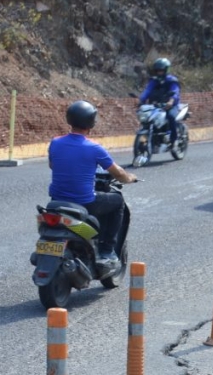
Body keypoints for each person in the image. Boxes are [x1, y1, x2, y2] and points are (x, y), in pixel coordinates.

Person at [48, 100, 138, 268]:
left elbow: (53, 165)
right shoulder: (94, 148)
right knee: (117, 201)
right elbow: (118, 173)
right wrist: (129, 178)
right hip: (84, 203)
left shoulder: (55, 142)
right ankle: (107, 250)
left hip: (55, 201)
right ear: (91, 122)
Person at [138, 57, 181, 148]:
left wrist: (171, 101)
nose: (159, 72)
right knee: (147, 118)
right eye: (157, 70)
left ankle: (174, 139)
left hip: (171, 105)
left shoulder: (172, 80)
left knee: (171, 116)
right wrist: (141, 100)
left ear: (166, 70)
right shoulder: (154, 81)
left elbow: (175, 92)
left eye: (161, 70)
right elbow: (147, 91)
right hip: (156, 105)